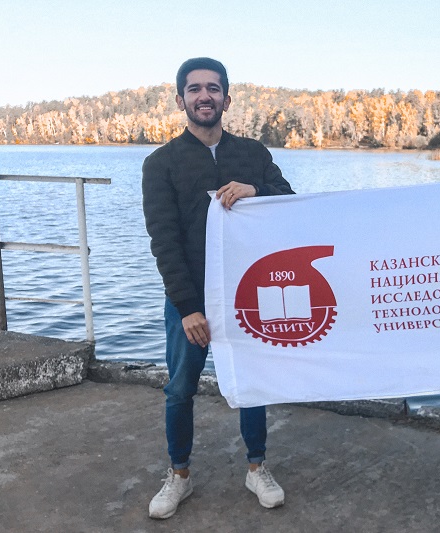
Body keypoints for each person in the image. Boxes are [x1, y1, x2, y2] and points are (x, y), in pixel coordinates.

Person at [142, 57, 295, 519]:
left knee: (251, 384)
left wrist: (256, 191)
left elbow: (291, 203)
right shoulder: (161, 163)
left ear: (226, 100)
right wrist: (188, 306)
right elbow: (163, 240)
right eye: (194, 89)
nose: (204, 96)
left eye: (213, 88)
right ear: (180, 100)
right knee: (179, 389)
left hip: (246, 295)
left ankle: (257, 467)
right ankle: (179, 475)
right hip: (190, 300)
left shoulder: (253, 153)